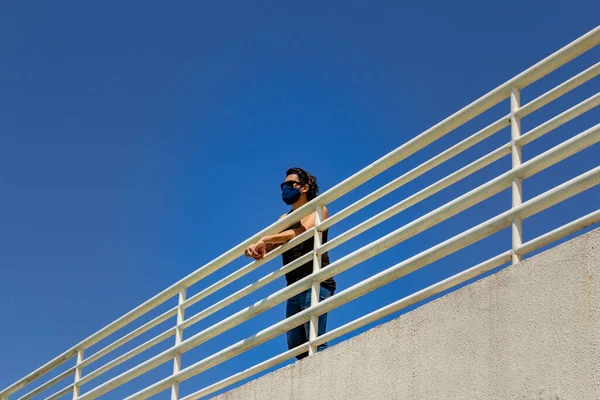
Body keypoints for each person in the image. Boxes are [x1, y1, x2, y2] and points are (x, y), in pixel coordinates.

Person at [245, 167, 336, 359]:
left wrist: (268, 238)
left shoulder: (318, 209)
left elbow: (302, 231)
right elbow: (273, 243)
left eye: (290, 184)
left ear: (304, 187)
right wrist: (255, 248)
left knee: (315, 339)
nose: (285, 189)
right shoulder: (284, 219)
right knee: (295, 344)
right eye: (283, 185)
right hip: (293, 285)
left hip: (315, 280)